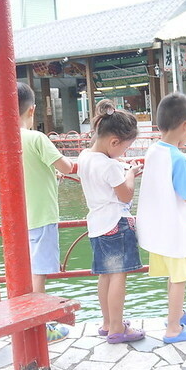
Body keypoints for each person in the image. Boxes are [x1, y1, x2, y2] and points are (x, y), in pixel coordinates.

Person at [137, 93, 186, 344]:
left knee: (173, 276)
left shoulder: (154, 150)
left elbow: (168, 168)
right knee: (179, 278)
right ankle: (173, 328)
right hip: (174, 231)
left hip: (158, 230)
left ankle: (177, 314)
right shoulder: (178, 159)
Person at [78, 99, 145, 344]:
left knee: (105, 276)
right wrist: (129, 173)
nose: (124, 153)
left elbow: (102, 168)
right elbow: (126, 194)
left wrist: (118, 163)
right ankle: (118, 328)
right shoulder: (110, 167)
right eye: (124, 148)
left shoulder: (85, 156)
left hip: (97, 225)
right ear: (114, 141)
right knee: (119, 276)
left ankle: (107, 323)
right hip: (116, 223)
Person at [14, 82, 75, 343]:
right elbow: (68, 165)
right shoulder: (37, 138)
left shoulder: (4, 140)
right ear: (33, 110)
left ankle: (23, 323)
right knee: (39, 272)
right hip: (42, 215)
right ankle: (39, 327)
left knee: (23, 272)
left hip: (17, 220)